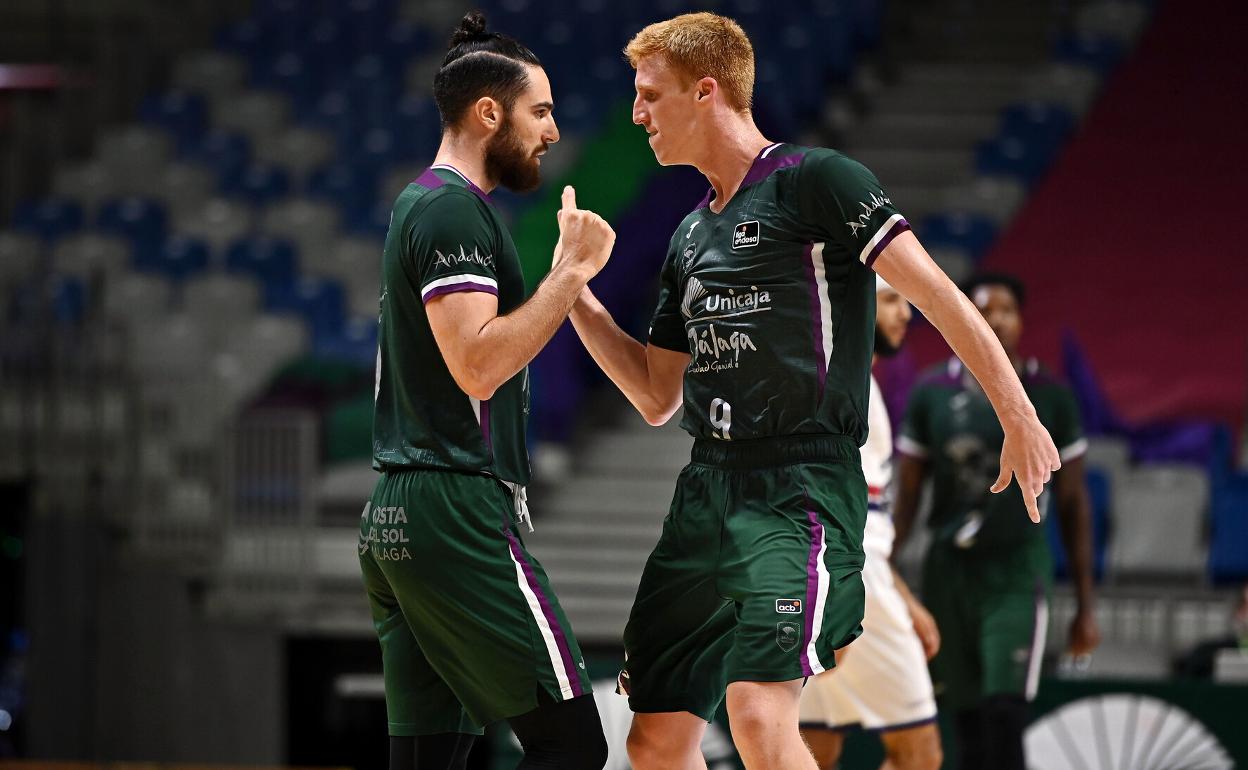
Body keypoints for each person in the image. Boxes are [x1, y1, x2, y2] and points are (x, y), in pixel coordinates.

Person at [564, 12, 1062, 769]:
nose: (636, 114)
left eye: (649, 95)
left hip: (798, 486)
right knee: (655, 740)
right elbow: (656, 394)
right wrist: (574, 292)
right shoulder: (690, 235)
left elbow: (935, 294)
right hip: (706, 486)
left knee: (759, 715)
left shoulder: (816, 181)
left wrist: (1016, 415)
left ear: (705, 92)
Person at [358, 12, 613, 770]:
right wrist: (570, 272)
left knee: (428, 758)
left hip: (399, 513)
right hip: (451, 507)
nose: (554, 131)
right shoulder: (449, 209)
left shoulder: (428, 205)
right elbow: (476, 365)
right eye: (541, 111)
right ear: (488, 112)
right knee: (572, 746)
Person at [893, 273, 1101, 770]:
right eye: (983, 308)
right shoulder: (931, 393)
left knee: (1004, 716)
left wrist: (1086, 605)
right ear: (965, 316)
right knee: (964, 726)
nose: (996, 319)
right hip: (948, 571)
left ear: (1021, 320)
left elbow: (1073, 505)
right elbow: (907, 498)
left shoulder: (1050, 395)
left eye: (1007, 309)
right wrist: (881, 572)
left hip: (1015, 570)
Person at [798, 277, 942, 770]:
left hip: (836, 575)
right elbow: (816, 505)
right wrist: (844, 599)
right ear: (857, 305)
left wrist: (901, 594)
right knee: (918, 752)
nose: (905, 313)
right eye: (889, 300)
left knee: (813, 750)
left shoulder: (857, 379)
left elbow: (864, 518)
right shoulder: (839, 383)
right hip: (849, 582)